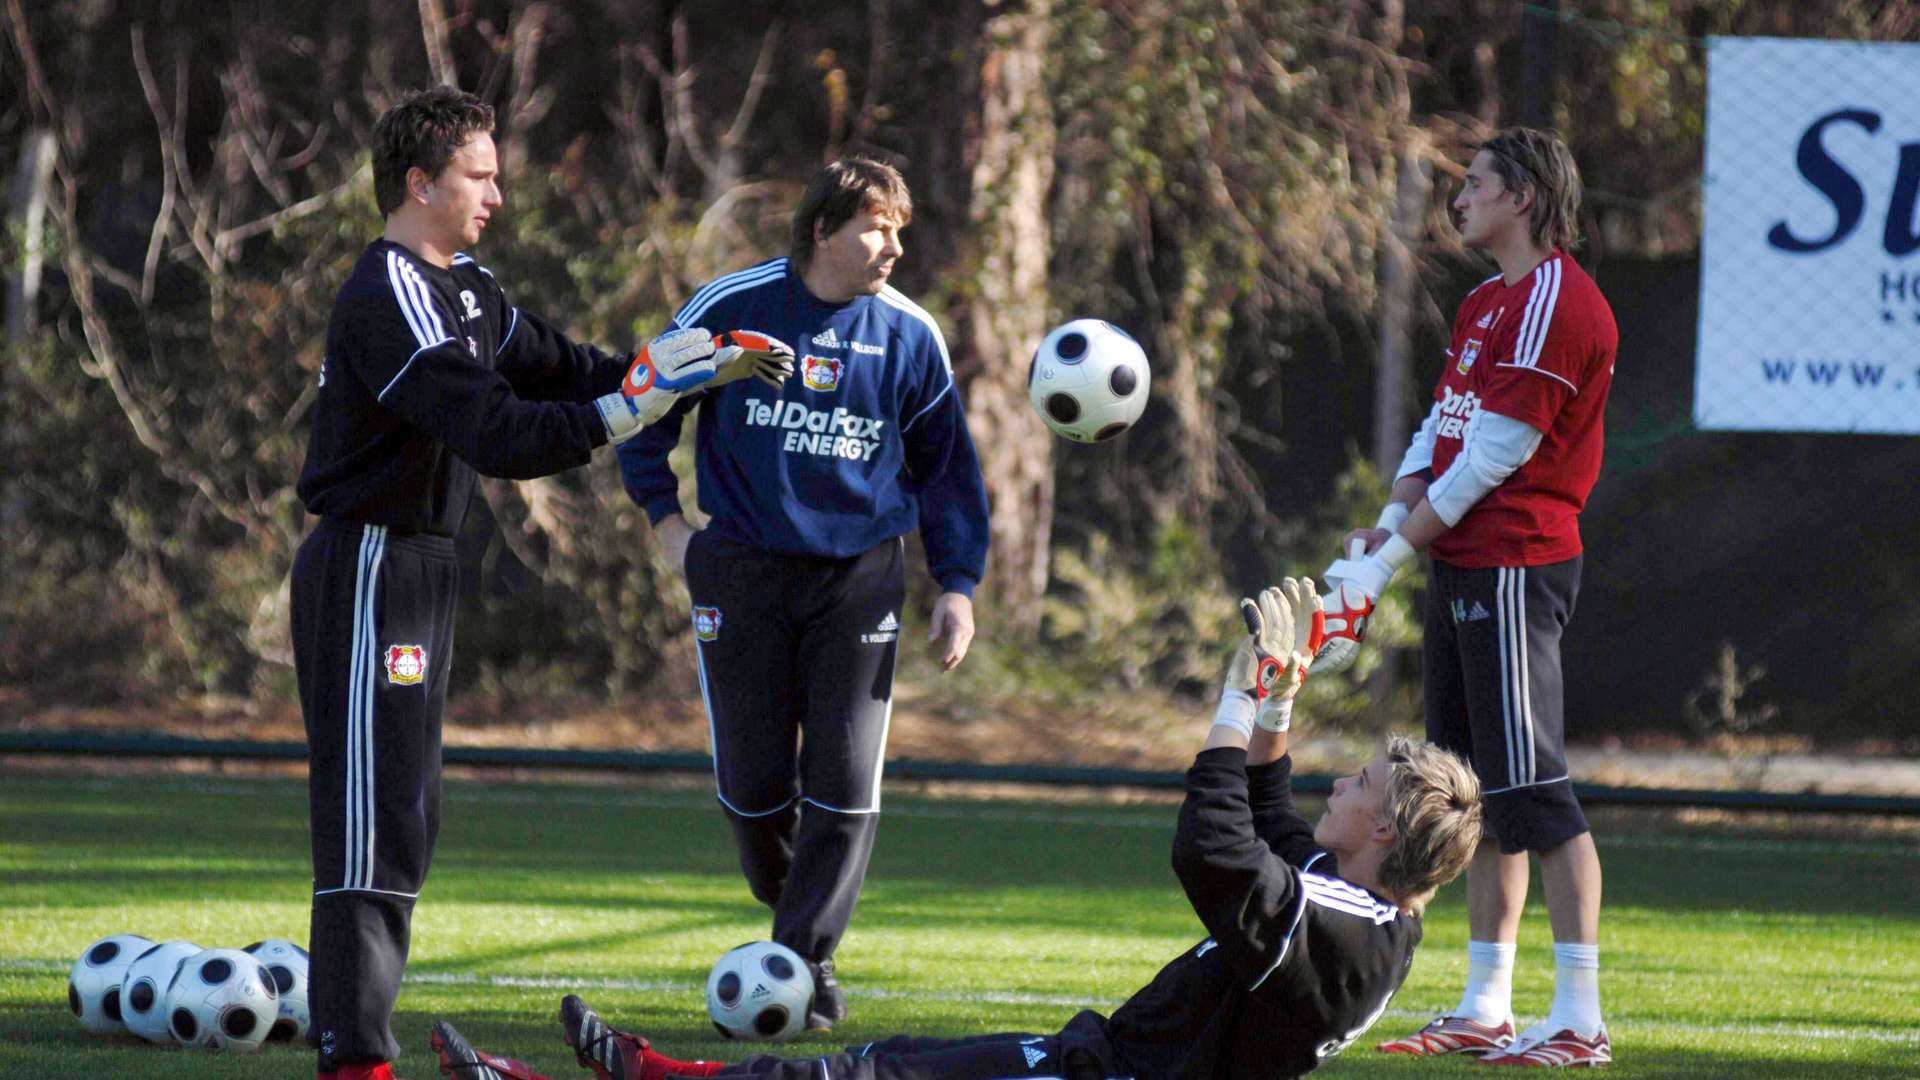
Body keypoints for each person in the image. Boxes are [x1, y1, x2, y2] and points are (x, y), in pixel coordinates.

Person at [424, 579, 1485, 1080]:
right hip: (1103, 1061)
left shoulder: (1342, 935)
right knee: (877, 1067)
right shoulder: (1370, 912)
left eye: (1357, 783)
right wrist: (1280, 698)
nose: (1338, 785)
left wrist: (1233, 698)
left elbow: (1213, 845)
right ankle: (652, 1073)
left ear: (1383, 833)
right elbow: (1267, 817)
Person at [292, 86, 792, 1080]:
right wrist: (632, 408)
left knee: (408, 816)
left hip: (422, 569)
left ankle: (356, 1038)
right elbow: (499, 433)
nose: (496, 195)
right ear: (419, 184)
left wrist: (680, 369)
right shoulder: (388, 294)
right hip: (367, 567)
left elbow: (569, 369)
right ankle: (354, 1058)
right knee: (370, 818)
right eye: (478, 176)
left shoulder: (469, 288)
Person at [614, 157, 991, 1029]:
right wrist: (665, 521)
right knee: (753, 789)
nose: (894, 246)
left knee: (845, 783)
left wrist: (957, 585)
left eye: (898, 229)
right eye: (876, 228)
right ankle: (795, 917)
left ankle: (803, 959)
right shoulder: (732, 306)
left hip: (860, 580)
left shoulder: (910, 334)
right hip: (741, 571)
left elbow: (947, 471)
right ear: (823, 230)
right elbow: (642, 398)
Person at [1315, 127, 1619, 1068]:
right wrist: (1385, 529)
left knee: (1537, 793)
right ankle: (1487, 1003)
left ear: (1523, 197)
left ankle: (1580, 1018)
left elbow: (1494, 458)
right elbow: (1440, 431)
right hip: (1462, 561)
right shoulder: (1486, 301)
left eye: (1477, 184)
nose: (1460, 198)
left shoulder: (1557, 301)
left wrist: (1381, 569)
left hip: (1515, 564)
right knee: (1476, 796)